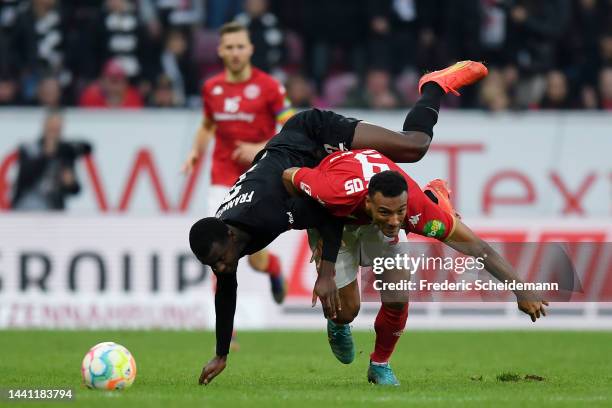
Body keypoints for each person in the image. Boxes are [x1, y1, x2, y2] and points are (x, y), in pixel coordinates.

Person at [188, 60, 489, 385]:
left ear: (231, 238)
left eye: (219, 261)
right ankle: (431, 203)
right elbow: (226, 288)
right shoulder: (223, 235)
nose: (220, 268)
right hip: (308, 171)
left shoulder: (262, 216)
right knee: (346, 309)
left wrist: (327, 272)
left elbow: (324, 211)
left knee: (414, 146)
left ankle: (434, 85)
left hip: (313, 137)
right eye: (213, 265)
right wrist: (222, 353)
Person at [282, 149, 549, 385]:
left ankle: (380, 365)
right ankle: (338, 325)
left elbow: (479, 248)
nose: (395, 220)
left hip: (376, 227)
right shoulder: (332, 191)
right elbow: (288, 175)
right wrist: (315, 224)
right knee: (346, 312)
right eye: (386, 212)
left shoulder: (414, 212)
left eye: (401, 211)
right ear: (368, 203)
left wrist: (521, 289)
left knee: (398, 297)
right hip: (339, 226)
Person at [181, 21, 295, 305]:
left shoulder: (270, 87)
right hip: (222, 178)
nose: (235, 52)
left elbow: (292, 126)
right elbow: (208, 125)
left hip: (259, 178)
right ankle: (225, 336)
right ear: (220, 50)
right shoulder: (211, 88)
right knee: (218, 252)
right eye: (229, 47)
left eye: (240, 46)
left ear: (250, 49)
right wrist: (195, 151)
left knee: (255, 260)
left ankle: (274, 268)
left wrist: (259, 147)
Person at [11, 110, 91, 210]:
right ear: (45, 126)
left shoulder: (64, 153)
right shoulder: (30, 148)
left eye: (57, 128)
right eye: (52, 127)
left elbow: (75, 190)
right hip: (27, 206)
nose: (54, 131)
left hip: (54, 208)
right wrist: (46, 155)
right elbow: (24, 178)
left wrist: (70, 183)